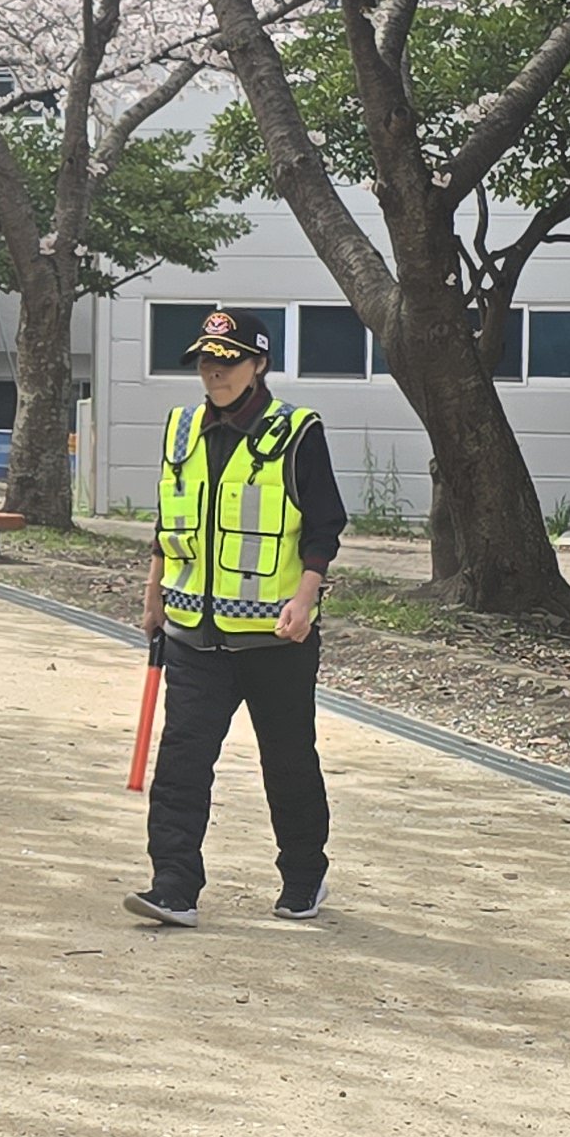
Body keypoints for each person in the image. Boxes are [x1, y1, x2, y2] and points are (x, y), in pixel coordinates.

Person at [125, 309, 348, 929]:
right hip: (192, 637)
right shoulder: (180, 431)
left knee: (288, 762)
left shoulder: (296, 432)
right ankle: (174, 886)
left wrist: (305, 597)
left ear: (258, 365)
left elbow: (325, 526)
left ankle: (303, 876)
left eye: (227, 361)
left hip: (275, 640)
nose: (214, 372)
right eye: (205, 360)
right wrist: (153, 596)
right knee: (182, 764)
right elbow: (168, 523)